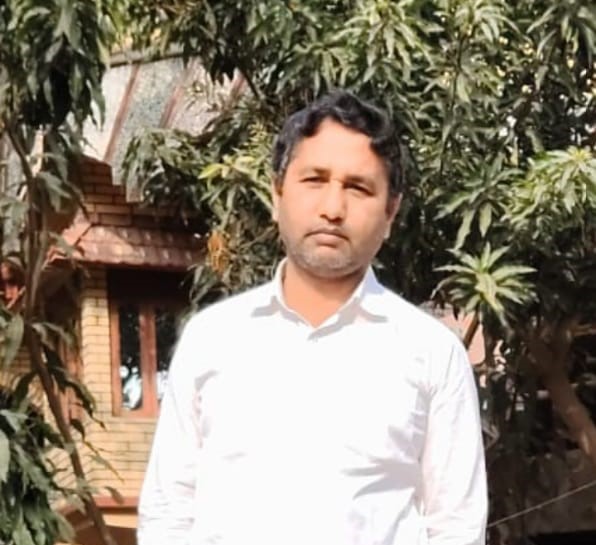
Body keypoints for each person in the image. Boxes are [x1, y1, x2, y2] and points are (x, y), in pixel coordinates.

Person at [137, 90, 487, 545]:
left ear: (390, 213)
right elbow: (168, 512)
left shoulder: (432, 353)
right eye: (314, 180)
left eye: (358, 187)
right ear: (277, 193)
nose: (332, 208)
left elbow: (457, 526)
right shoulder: (212, 340)